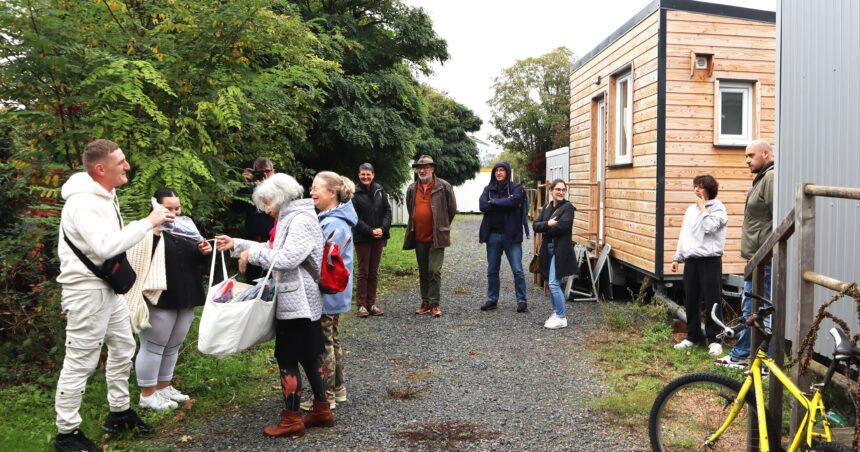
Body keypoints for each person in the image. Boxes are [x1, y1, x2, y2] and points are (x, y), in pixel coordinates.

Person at [54, 139, 173, 451]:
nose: (127, 166)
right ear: (99, 168)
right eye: (120, 162)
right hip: (86, 292)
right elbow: (106, 247)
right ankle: (67, 433)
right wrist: (148, 222)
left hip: (107, 289)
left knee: (123, 346)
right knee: (80, 361)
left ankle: (119, 414)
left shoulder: (106, 196)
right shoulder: (82, 203)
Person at [214, 173, 331, 438]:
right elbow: (272, 247)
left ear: (280, 198)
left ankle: (292, 420)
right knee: (310, 355)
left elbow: (288, 258)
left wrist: (251, 254)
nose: (266, 209)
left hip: (297, 302)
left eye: (268, 202)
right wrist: (237, 244)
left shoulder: (299, 220)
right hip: (299, 300)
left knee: (288, 358)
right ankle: (321, 409)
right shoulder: (291, 218)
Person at [128, 188, 212, 411]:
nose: (175, 213)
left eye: (178, 208)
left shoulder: (186, 226)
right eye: (169, 208)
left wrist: (203, 251)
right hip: (159, 295)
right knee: (154, 345)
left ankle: (164, 387)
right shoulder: (145, 229)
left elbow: (191, 258)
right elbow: (137, 258)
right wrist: (154, 233)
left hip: (186, 293)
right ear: (156, 206)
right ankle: (147, 395)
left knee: (173, 345)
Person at [300, 171, 357, 411]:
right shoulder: (331, 218)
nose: (311, 192)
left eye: (316, 188)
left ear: (331, 193)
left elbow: (321, 259)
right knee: (332, 339)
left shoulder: (333, 223)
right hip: (334, 293)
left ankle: (326, 395)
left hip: (328, 292)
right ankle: (339, 389)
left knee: (324, 343)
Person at [716, 139, 775, 369]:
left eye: (751, 156)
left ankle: (754, 359)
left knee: (756, 310)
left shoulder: (770, 178)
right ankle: (750, 356)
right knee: (751, 307)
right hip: (756, 259)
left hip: (764, 259)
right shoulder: (761, 178)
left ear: (766, 154)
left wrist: (765, 252)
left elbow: (777, 216)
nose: (747, 160)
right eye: (746, 156)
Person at [670, 175, 728, 356]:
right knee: (691, 299)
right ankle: (692, 336)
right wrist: (677, 257)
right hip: (691, 260)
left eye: (700, 187)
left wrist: (703, 208)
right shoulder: (690, 210)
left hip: (710, 260)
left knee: (712, 300)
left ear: (709, 189)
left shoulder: (718, 208)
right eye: (695, 186)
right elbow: (684, 234)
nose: (696, 190)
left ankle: (715, 340)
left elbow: (710, 227)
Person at [403, 155, 457, 318]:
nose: (422, 170)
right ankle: (425, 302)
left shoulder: (444, 186)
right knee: (423, 271)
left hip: (436, 237)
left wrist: (441, 226)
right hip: (418, 236)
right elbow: (410, 208)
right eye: (420, 167)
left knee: (434, 270)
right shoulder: (412, 188)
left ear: (432, 168)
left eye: (426, 167)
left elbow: (451, 209)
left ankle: (434, 304)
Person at [478, 162, 530, 313]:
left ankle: (522, 301)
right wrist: (502, 203)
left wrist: (493, 202)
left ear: (507, 172)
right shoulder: (488, 189)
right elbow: (482, 205)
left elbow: (513, 201)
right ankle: (492, 299)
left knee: (518, 270)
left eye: (502, 170)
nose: (499, 173)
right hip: (493, 235)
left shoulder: (516, 188)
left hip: (511, 236)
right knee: (492, 270)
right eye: (496, 171)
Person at [532, 179, 576, 330]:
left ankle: (561, 317)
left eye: (563, 190)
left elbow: (562, 227)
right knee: (550, 284)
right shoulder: (546, 207)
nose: (561, 192)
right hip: (548, 249)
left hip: (561, 250)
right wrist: (547, 224)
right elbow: (535, 225)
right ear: (551, 191)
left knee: (553, 283)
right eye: (558, 189)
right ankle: (556, 312)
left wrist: (545, 228)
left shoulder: (568, 208)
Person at [351, 163, 392, 318]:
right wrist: (370, 231)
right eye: (363, 174)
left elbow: (387, 210)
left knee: (374, 271)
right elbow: (354, 217)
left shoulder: (380, 190)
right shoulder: (354, 193)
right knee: (363, 271)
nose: (365, 177)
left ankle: (371, 303)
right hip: (363, 237)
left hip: (379, 236)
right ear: (359, 175)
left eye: (368, 174)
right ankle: (361, 305)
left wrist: (383, 228)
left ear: (373, 175)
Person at [242, 157, 276, 281]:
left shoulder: (281, 189)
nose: (265, 176)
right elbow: (236, 206)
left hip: (274, 240)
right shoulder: (249, 191)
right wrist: (245, 184)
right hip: (254, 241)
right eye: (261, 173)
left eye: (268, 172)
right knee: (253, 282)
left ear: (273, 171)